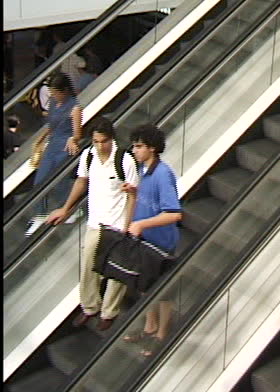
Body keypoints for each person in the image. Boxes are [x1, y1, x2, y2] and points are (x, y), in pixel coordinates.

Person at [46, 117, 139, 331]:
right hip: (96, 222)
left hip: (117, 224)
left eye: (103, 141)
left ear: (111, 139)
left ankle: (109, 312)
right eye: (96, 141)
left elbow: (133, 196)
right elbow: (81, 181)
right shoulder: (88, 156)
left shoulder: (125, 160)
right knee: (88, 264)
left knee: (117, 271)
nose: (99, 146)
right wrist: (66, 208)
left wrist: (128, 227)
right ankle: (90, 307)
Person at [122, 124, 182, 357]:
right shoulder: (143, 170)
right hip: (145, 240)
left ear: (152, 149)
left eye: (139, 146)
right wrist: (133, 193)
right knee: (145, 287)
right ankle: (150, 326)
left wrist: (140, 224)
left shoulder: (163, 174)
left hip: (160, 243)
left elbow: (174, 213)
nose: (134, 151)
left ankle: (161, 334)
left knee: (162, 291)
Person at [28, 72, 82, 235]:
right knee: (39, 180)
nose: (53, 95)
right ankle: (40, 214)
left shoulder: (75, 107)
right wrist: (40, 139)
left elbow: (78, 133)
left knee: (60, 181)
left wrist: (73, 139)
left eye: (55, 92)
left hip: (65, 146)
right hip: (53, 144)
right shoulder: (53, 103)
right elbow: (50, 125)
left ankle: (70, 208)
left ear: (64, 90)